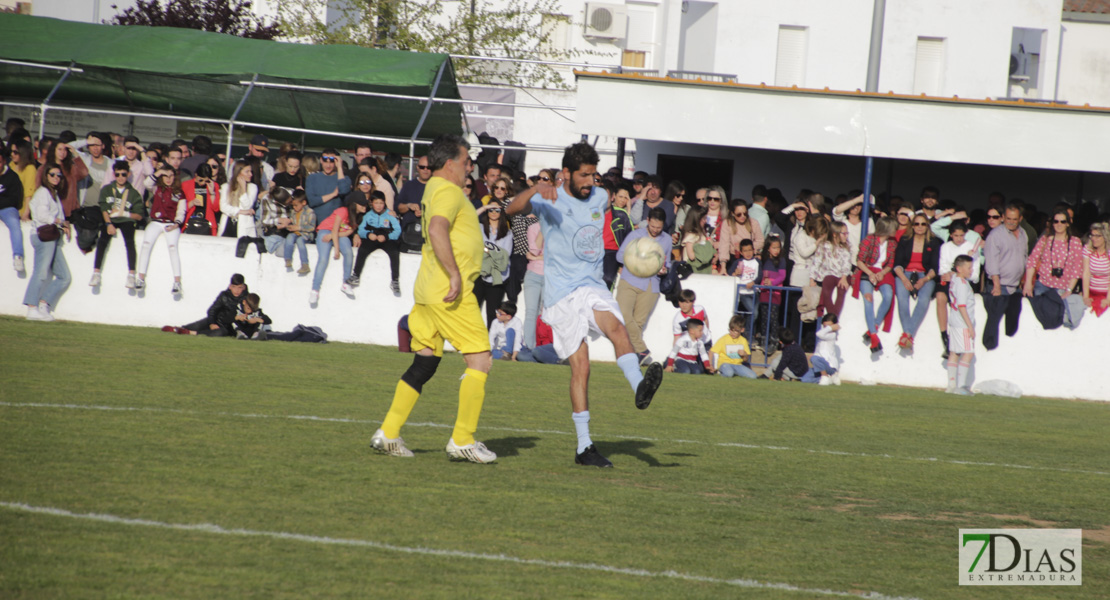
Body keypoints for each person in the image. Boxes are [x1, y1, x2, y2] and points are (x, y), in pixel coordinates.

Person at [506, 141, 664, 468]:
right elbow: (510, 209)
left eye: (594, 174)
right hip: (562, 294)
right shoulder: (548, 198)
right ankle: (584, 447)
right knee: (582, 367)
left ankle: (640, 388)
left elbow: (600, 212)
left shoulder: (601, 198)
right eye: (584, 175)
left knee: (618, 329)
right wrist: (538, 185)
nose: (590, 181)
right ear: (566, 174)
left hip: (592, 286)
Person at [370, 134, 497, 464]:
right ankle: (462, 440)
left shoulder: (435, 189)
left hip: (428, 292)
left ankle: (388, 432)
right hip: (449, 294)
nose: (471, 168)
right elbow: (439, 228)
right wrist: (455, 274)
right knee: (480, 360)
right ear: (452, 164)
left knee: (425, 362)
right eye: (467, 162)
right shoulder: (448, 191)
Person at [615, 207, 672, 365]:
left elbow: (667, 263)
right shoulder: (635, 235)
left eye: (659, 228)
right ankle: (642, 350)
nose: (655, 231)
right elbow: (620, 255)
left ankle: (632, 358)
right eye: (653, 227)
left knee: (638, 323)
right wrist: (637, 260)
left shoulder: (667, 239)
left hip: (651, 284)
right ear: (648, 221)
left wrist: (664, 269)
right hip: (630, 279)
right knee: (623, 314)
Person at [22, 163, 72, 321]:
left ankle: (43, 304)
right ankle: (32, 307)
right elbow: (42, 215)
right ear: (46, 176)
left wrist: (63, 224)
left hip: (53, 237)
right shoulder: (43, 192)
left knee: (64, 276)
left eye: (59, 175)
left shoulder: (53, 194)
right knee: (41, 272)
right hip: (43, 236)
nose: (56, 178)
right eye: (52, 174)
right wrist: (59, 221)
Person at [1022, 209, 1085, 330]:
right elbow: (1032, 260)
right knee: (1041, 316)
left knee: (1059, 318)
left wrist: (1069, 289)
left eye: (1062, 221)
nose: (1059, 224)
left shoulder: (1075, 242)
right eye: (1056, 221)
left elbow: (1077, 268)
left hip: (1062, 287)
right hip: (1043, 285)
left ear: (1068, 223)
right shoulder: (1045, 239)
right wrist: (1028, 283)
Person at [91, 160, 146, 289]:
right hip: (111, 220)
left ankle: (131, 274)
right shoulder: (107, 189)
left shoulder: (133, 193)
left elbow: (139, 215)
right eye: (118, 174)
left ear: (128, 174)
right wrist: (109, 223)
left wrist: (125, 214)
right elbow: (104, 208)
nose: (120, 177)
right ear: (114, 175)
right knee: (102, 241)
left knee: (130, 242)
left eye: (123, 174)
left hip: (126, 220)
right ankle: (96, 272)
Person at [982, 202, 1029, 350]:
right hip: (999, 285)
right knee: (994, 318)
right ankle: (989, 346)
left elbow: (1025, 257)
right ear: (1003, 217)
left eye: (1014, 219)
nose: (1011, 221)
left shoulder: (1023, 234)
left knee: (1013, 319)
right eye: (1008, 218)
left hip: (1015, 285)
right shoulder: (995, 235)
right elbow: (992, 262)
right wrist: (996, 285)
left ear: (1020, 218)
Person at [893, 215, 941, 351]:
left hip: (925, 275)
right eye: (916, 224)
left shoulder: (934, 242)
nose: (919, 227)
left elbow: (934, 267)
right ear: (912, 226)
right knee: (902, 300)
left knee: (924, 300)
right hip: (905, 273)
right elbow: (897, 264)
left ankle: (907, 334)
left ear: (927, 226)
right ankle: (908, 335)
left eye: (923, 224)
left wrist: (924, 280)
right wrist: (904, 279)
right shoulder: (905, 239)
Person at [135, 166, 186, 294]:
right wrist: (159, 173)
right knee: (146, 245)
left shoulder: (179, 192)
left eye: (171, 176)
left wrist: (176, 224)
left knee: (173, 248)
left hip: (171, 223)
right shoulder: (157, 188)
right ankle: (140, 278)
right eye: (165, 176)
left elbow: (181, 211)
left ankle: (177, 281)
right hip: (156, 222)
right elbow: (146, 183)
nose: (168, 179)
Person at [936, 223, 982, 357]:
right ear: (951, 235)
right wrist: (951, 274)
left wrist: (955, 275)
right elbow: (942, 268)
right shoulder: (945, 247)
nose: (958, 238)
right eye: (955, 235)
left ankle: (957, 338)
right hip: (949, 280)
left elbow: (975, 275)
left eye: (961, 235)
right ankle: (945, 336)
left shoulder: (971, 248)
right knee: (940, 296)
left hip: (964, 282)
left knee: (958, 303)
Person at [855, 216, 898, 353]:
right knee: (868, 299)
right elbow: (860, 261)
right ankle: (873, 335)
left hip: (882, 272)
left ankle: (874, 326)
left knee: (888, 295)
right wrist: (870, 274)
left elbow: (890, 264)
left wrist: (882, 273)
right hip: (866, 270)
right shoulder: (869, 240)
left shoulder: (892, 243)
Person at [348, 191, 401, 296]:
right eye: (376, 203)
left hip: (386, 238)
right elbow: (361, 230)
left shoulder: (389, 215)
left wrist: (386, 237)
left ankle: (395, 280)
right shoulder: (368, 215)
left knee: (394, 252)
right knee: (362, 250)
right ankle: (356, 275)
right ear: (371, 203)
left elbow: (397, 230)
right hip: (372, 236)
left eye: (381, 203)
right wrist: (368, 235)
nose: (379, 206)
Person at [311, 195, 361, 305]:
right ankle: (315, 290)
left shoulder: (357, 217)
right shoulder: (343, 211)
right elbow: (334, 228)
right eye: (362, 204)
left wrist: (333, 237)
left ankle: (346, 282)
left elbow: (348, 232)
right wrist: (336, 250)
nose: (365, 206)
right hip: (326, 230)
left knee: (348, 252)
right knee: (323, 258)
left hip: (339, 234)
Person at [474, 203, 514, 327]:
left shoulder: (508, 233)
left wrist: (486, 251)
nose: (494, 212)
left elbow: (504, 255)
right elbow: (469, 217)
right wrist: (484, 207)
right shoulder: (480, 228)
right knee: (473, 309)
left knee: (492, 313)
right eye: (490, 209)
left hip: (498, 277)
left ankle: (490, 343)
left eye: (497, 210)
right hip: (480, 275)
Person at [170, 274, 248, 336]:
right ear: (230, 286)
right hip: (217, 321)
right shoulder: (224, 295)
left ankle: (192, 333)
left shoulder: (246, 299)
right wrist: (212, 323)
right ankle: (180, 329)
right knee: (200, 324)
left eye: (240, 287)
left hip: (228, 327)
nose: (237, 290)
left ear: (243, 287)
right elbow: (212, 310)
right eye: (234, 287)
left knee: (220, 332)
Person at [945, 255, 977, 395]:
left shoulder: (954, 279)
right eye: (969, 267)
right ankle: (961, 385)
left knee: (954, 352)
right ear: (959, 268)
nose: (971, 270)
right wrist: (970, 326)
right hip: (962, 322)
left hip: (954, 320)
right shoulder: (963, 284)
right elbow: (962, 306)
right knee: (968, 353)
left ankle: (951, 385)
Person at [810, 221, 854, 318]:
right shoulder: (824, 245)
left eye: (847, 233)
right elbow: (817, 261)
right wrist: (812, 278)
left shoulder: (845, 247)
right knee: (827, 288)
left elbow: (847, 263)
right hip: (828, 274)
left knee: (842, 290)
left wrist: (844, 277)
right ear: (835, 234)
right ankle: (831, 317)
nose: (846, 236)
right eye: (844, 233)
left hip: (842, 274)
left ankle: (834, 318)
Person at [35, 139, 87, 218]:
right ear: (53, 150)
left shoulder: (70, 168)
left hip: (70, 211)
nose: (62, 152)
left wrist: (75, 153)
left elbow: (84, 173)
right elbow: (37, 189)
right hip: (52, 212)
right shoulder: (43, 168)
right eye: (59, 149)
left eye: (65, 150)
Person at [755, 235, 787, 350]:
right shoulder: (764, 260)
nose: (776, 250)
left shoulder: (781, 260)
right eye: (774, 248)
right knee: (764, 317)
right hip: (764, 292)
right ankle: (764, 340)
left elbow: (782, 276)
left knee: (773, 318)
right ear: (768, 248)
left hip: (775, 293)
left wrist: (772, 284)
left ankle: (774, 341)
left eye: (778, 248)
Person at [718, 196, 764, 275]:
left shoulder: (753, 223)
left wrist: (746, 248)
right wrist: (723, 266)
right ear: (732, 213)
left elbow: (760, 241)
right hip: (734, 259)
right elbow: (724, 245)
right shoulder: (727, 223)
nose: (743, 216)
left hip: (750, 259)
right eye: (739, 214)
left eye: (745, 213)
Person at [305, 147, 350, 224]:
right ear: (321, 160)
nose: (328, 165)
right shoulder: (312, 178)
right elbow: (312, 201)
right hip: (317, 224)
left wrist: (339, 167)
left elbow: (343, 191)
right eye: (325, 161)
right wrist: (333, 194)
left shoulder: (344, 178)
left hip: (336, 224)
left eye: (331, 162)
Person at [602, 181, 633, 289]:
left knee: (607, 278)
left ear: (612, 197)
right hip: (594, 251)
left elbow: (630, 239)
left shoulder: (621, 215)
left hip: (612, 252)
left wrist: (624, 263)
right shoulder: (590, 213)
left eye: (605, 196)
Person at [219, 160, 259, 239]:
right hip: (228, 225)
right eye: (247, 172)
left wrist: (244, 189)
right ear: (238, 172)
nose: (250, 174)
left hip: (243, 228)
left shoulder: (252, 187)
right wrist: (241, 212)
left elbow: (247, 206)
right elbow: (223, 207)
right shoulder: (226, 187)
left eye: (251, 171)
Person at [0, 150, 25, 273]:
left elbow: (15, 199)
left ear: (4, 161)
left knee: (14, 223)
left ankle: (18, 256)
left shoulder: (12, 177)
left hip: (7, 209)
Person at [521, 219, 545, 349]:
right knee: (531, 312)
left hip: (550, 276)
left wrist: (537, 257)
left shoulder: (558, 228)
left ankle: (543, 345)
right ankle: (529, 347)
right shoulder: (533, 227)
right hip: (533, 275)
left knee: (545, 313)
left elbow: (556, 255)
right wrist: (543, 230)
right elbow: (534, 250)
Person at [832, 192, 874, 263]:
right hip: (843, 259)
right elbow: (837, 210)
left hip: (862, 261)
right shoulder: (842, 220)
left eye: (859, 205)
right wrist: (857, 199)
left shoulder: (868, 221)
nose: (856, 207)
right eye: (853, 204)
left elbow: (872, 241)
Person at [180, 163, 219, 236]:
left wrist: (212, 193)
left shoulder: (214, 186)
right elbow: (180, 208)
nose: (203, 183)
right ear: (196, 175)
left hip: (207, 224)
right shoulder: (186, 185)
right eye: (201, 180)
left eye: (206, 181)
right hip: (190, 223)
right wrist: (192, 203)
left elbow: (216, 208)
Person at [283, 190, 316, 274]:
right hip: (296, 233)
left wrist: (299, 227)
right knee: (289, 238)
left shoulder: (310, 212)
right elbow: (292, 223)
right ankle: (288, 259)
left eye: (296, 205)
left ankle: (305, 264)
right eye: (293, 205)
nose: (294, 207)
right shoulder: (293, 212)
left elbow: (312, 227)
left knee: (300, 241)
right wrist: (290, 226)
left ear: (304, 202)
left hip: (306, 234)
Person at [1082, 221, 1109, 317]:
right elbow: (1086, 273)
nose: (1094, 239)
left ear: (1104, 237)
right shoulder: (1088, 250)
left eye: (1097, 236)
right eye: (1092, 235)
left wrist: (1108, 299)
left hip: (1106, 293)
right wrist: (1085, 296)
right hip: (1091, 292)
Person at [395, 154, 428, 229]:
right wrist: (408, 206)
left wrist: (425, 213)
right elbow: (397, 207)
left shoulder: (437, 187)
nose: (425, 169)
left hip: (428, 232)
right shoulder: (409, 185)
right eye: (422, 167)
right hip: (409, 234)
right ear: (417, 168)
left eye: (428, 167)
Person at [733, 238, 761, 321]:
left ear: (753, 250)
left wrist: (754, 282)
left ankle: (749, 331)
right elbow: (730, 274)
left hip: (755, 292)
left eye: (750, 250)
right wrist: (735, 273)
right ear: (741, 252)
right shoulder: (738, 262)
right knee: (754, 312)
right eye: (745, 251)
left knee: (754, 315)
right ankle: (748, 332)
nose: (748, 253)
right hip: (743, 293)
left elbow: (760, 275)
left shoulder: (757, 262)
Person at [9, 140, 37, 220]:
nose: (12, 154)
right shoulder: (11, 165)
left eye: (15, 152)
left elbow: (29, 193)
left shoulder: (30, 169)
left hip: (20, 211)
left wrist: (25, 214)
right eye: (11, 151)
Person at [811, 313, 841, 386]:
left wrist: (830, 328)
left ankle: (826, 376)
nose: (826, 328)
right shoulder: (824, 334)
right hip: (821, 364)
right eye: (825, 326)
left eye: (829, 326)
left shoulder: (832, 335)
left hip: (829, 365)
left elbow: (818, 334)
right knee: (805, 378)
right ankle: (830, 378)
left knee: (814, 359)